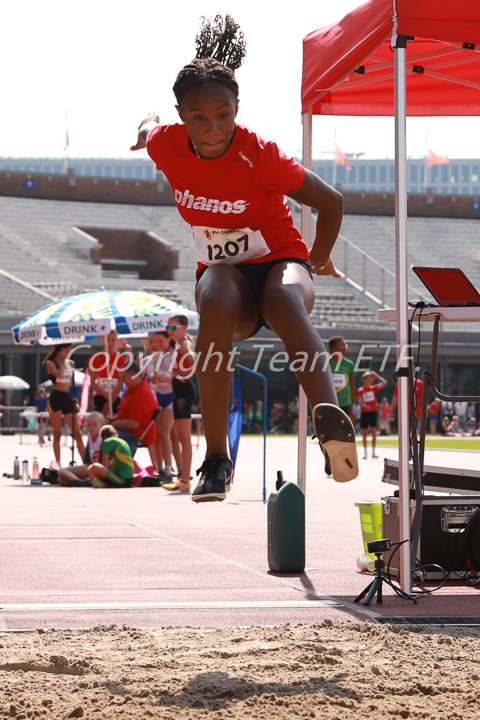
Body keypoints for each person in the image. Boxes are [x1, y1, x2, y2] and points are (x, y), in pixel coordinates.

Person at [130, 15, 358, 501]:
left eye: (223, 115)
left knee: (282, 299)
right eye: (198, 117)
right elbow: (149, 126)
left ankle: (332, 427)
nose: (213, 129)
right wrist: (142, 127)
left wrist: (317, 258)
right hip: (226, 276)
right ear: (181, 114)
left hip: (281, 260)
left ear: (237, 109)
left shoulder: (262, 154)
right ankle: (216, 460)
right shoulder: (166, 144)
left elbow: (332, 202)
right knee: (211, 299)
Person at [161, 315, 196, 493]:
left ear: (182, 328)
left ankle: (184, 479)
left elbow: (193, 360)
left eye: (173, 327)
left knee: (184, 438)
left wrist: (181, 375)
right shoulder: (179, 343)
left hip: (183, 390)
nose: (169, 330)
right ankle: (183, 478)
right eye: (168, 326)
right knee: (183, 438)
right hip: (180, 390)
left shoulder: (183, 343)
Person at [42, 343, 85, 468]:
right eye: (69, 348)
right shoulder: (51, 363)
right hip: (56, 397)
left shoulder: (71, 363)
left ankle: (85, 461)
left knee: (77, 432)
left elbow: (72, 383)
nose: (70, 350)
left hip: (68, 398)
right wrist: (62, 361)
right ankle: (58, 463)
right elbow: (59, 375)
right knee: (57, 433)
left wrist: (75, 400)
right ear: (62, 348)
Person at [110, 362, 159, 465]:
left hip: (136, 432)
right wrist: (111, 420)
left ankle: (102, 468)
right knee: (99, 431)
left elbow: (133, 423)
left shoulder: (141, 392)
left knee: (105, 436)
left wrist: (111, 425)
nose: (122, 380)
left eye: (123, 376)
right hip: (130, 429)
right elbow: (124, 412)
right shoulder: (132, 388)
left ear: (132, 374)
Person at [145, 331, 176, 482]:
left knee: (165, 433)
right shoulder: (153, 357)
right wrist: (157, 377)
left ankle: (169, 469)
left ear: (167, 340)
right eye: (153, 342)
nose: (156, 345)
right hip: (158, 396)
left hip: (171, 396)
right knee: (157, 434)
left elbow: (174, 377)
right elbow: (152, 377)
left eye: (159, 341)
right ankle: (159, 468)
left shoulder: (175, 355)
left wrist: (164, 377)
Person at [57, 412, 105, 486]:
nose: (92, 428)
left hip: (99, 468)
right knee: (60, 480)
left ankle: (80, 482)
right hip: (91, 467)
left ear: (101, 425)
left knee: (62, 471)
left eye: (95, 425)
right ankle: (82, 482)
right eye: (89, 425)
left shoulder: (103, 437)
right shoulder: (90, 435)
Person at [88, 330, 126, 417]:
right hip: (100, 395)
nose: (110, 343)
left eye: (113, 340)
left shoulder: (121, 359)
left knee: (115, 422)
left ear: (117, 341)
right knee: (100, 421)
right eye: (107, 340)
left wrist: (112, 398)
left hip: (115, 396)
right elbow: (93, 383)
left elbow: (121, 382)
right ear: (102, 340)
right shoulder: (95, 359)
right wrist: (106, 396)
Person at [357, 370, 387, 459]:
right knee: (365, 433)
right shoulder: (361, 390)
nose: (369, 381)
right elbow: (359, 401)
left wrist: (376, 375)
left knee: (374, 431)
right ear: (364, 380)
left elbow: (384, 382)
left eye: (371, 380)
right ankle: (365, 452)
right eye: (368, 380)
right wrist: (364, 406)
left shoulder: (373, 388)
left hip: (373, 412)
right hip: (365, 413)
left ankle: (373, 451)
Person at [328, 336, 356, 419]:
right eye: (342, 345)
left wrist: (351, 409)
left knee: (342, 430)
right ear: (333, 348)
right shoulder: (325, 363)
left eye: (345, 345)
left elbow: (352, 387)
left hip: (345, 403)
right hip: (329, 402)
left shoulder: (350, 364)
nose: (345, 347)